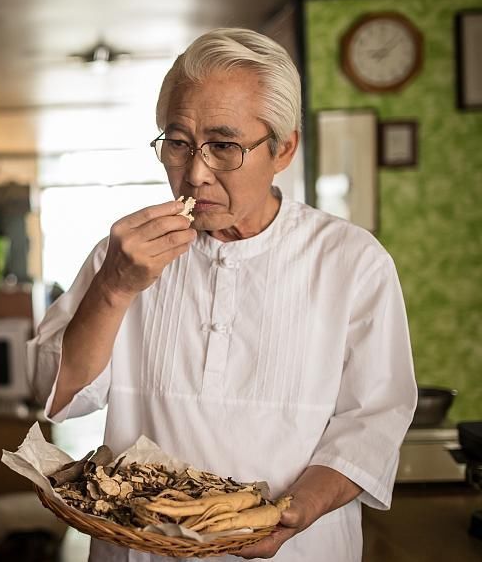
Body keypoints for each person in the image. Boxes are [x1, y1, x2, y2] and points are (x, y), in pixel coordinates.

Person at [26, 28, 416, 561]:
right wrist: (114, 289)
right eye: (178, 143)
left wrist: (298, 509)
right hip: (140, 551)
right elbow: (55, 397)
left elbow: (374, 418)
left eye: (225, 146)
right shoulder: (123, 255)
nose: (194, 173)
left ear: (283, 149)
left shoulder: (351, 261)